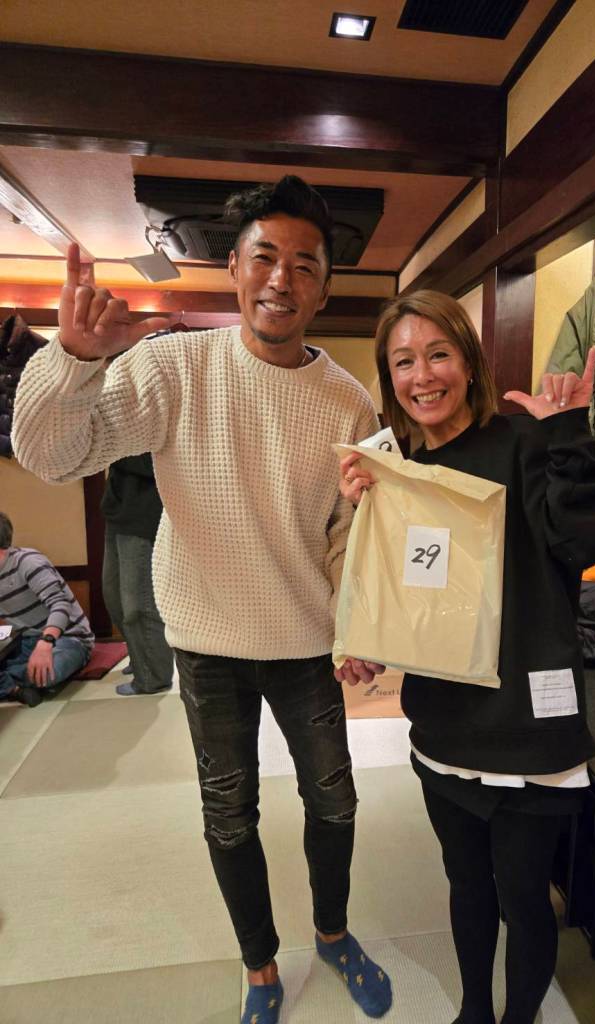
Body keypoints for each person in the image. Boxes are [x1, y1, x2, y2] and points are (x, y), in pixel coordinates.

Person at [12, 176, 392, 1024]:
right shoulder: (174, 367)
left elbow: (350, 533)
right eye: (265, 258)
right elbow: (51, 456)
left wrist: (362, 625)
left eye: (304, 265)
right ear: (234, 268)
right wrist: (72, 357)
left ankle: (333, 934)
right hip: (208, 639)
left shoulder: (348, 400)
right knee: (229, 813)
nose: (281, 279)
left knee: (335, 800)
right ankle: (259, 966)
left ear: (324, 288)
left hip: (306, 639)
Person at [337, 291, 595, 1024]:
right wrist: (368, 525)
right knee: (466, 884)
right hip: (446, 719)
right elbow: (411, 592)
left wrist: (569, 433)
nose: (422, 376)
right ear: (389, 377)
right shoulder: (396, 467)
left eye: (438, 354)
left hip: (529, 719)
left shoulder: (524, 440)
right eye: (403, 362)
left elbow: (583, 544)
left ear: (468, 360)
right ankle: (473, 1013)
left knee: (523, 894)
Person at [0, 510, 94, 707]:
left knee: (47, 674)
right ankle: (14, 688)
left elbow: (60, 604)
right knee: (35, 670)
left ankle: (9, 682)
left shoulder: (27, 562)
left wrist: (46, 643)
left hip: (67, 638)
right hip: (24, 641)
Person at [101, 452, 175, 695]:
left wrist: (115, 447)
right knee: (113, 596)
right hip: (118, 505)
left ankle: (153, 677)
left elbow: (156, 462)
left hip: (145, 513)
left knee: (139, 603)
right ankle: (139, 657)